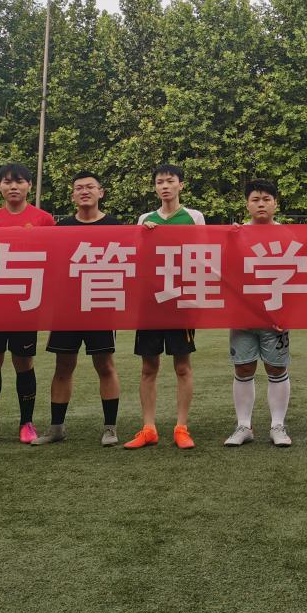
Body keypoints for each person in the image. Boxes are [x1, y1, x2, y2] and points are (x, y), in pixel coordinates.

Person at [0, 163, 55, 445]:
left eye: (19, 181)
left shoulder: (44, 220)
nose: (13, 186)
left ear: (29, 185)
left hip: (25, 303)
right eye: (7, 181)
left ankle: (26, 422)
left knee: (23, 361)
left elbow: (54, 258)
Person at [33, 172, 122, 447]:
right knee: (63, 366)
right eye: (79, 188)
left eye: (90, 187)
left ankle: (110, 428)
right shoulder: (61, 228)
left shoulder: (116, 226)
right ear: (72, 195)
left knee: (104, 365)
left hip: (100, 304)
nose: (85, 191)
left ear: (101, 192)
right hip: (67, 308)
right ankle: (56, 428)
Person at [125, 164, 205, 451]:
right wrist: (144, 235)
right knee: (149, 367)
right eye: (160, 182)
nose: (165, 186)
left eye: (170, 181)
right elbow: (137, 257)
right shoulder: (145, 219)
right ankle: (149, 428)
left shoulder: (194, 217)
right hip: (150, 302)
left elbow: (203, 253)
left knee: (182, 366)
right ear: (155, 187)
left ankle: (181, 427)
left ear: (181, 185)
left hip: (180, 301)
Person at [224, 179, 293, 448]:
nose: (261, 204)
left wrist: (289, 313)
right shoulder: (235, 234)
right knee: (243, 367)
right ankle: (244, 425)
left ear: (276, 204)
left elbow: (300, 274)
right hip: (242, 314)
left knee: (277, 367)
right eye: (255, 199)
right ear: (247, 204)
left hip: (276, 315)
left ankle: (277, 425)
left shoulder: (288, 235)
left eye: (266, 199)